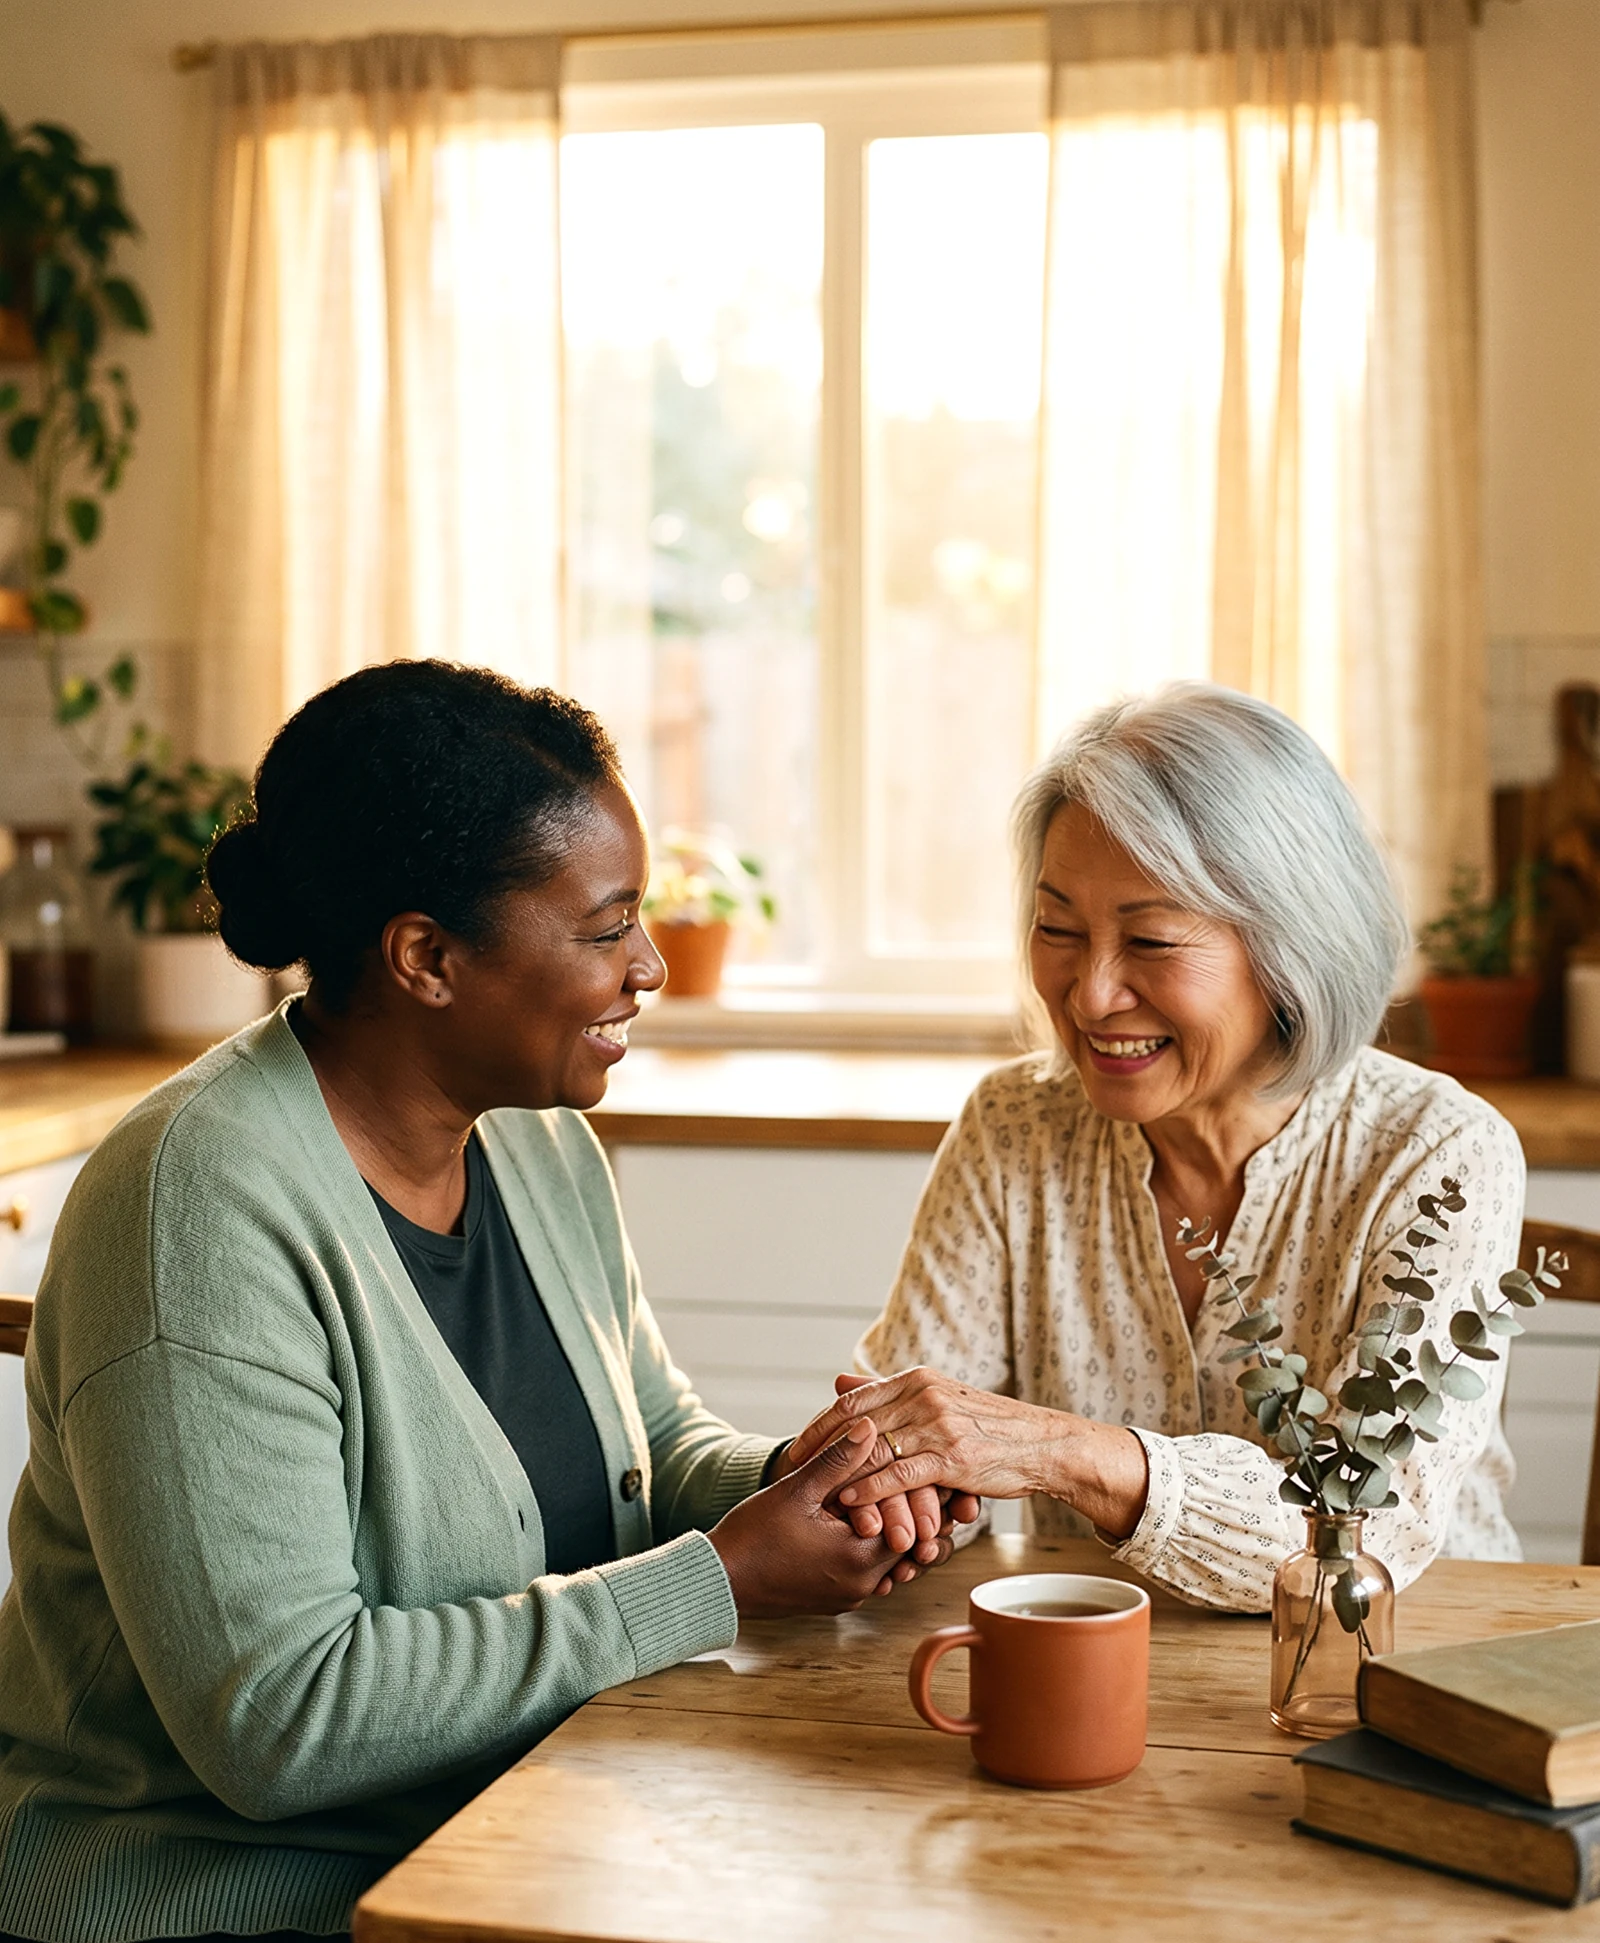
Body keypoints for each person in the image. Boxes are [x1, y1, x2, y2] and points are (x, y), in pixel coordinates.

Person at [0, 661, 962, 1943]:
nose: (652, 965)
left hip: (506, 1840)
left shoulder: (535, 1141)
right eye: (607, 926)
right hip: (222, 1896)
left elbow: (651, 1450)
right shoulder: (196, 1212)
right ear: (426, 957)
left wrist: (812, 1477)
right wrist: (721, 1574)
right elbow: (279, 1722)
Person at [789, 684, 1526, 1612]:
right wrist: (898, 1490)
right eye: (1058, 928)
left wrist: (1059, 1450)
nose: (1090, 994)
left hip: (1389, 1668)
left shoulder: (1439, 1155)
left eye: (1150, 939)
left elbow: (1363, 1524)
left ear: (1291, 945)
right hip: (1085, 1665)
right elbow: (925, 1440)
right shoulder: (1016, 1124)